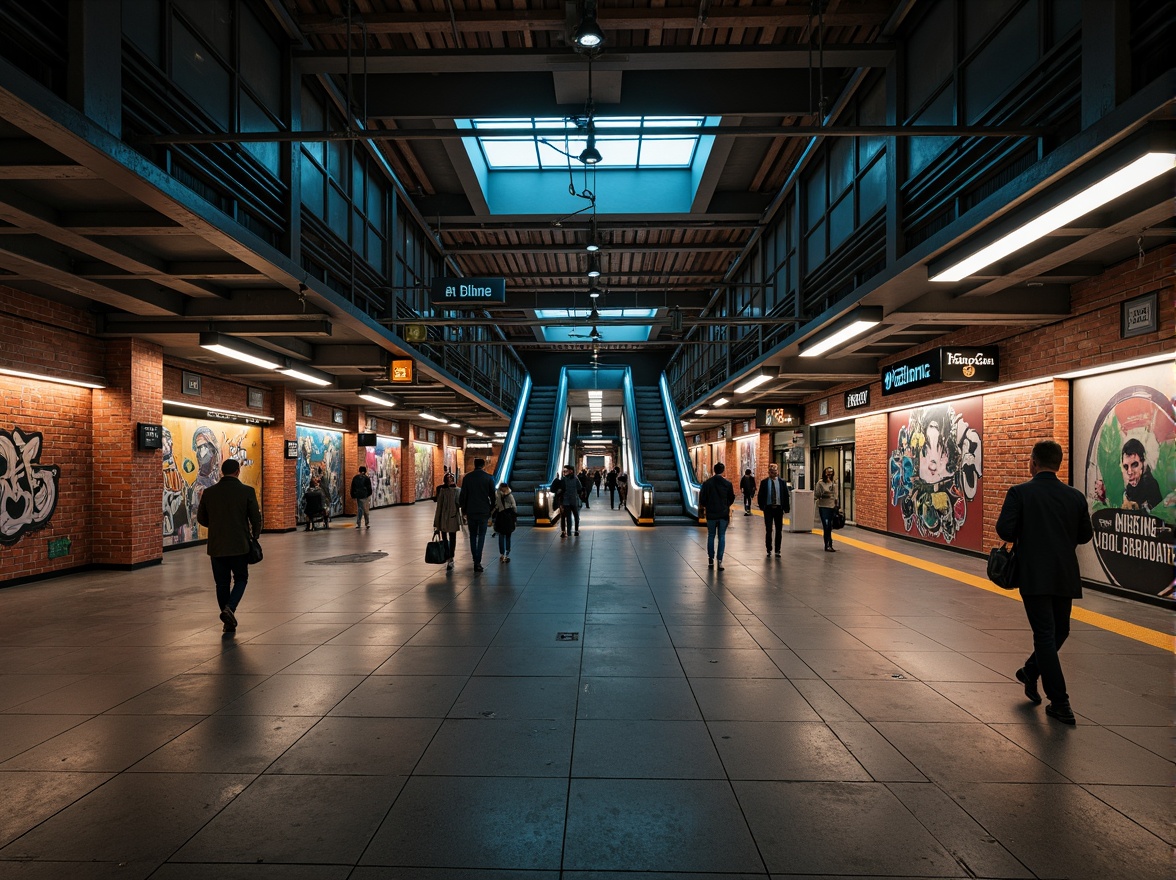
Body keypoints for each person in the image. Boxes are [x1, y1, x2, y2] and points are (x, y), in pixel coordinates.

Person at [996, 440, 1093, 725]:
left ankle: (1036, 676)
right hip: (1064, 574)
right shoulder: (1074, 497)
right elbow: (1084, 535)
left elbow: (1005, 530)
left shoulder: (1020, 493)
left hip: (1034, 576)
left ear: (1033, 462)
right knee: (1057, 631)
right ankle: (1057, 699)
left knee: (1049, 634)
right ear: (1059, 464)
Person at [195, 458, 261, 633]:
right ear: (238, 471)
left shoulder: (209, 492)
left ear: (222, 472)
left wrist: (217, 526)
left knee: (222, 584)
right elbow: (256, 518)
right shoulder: (247, 491)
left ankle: (227, 622)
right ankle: (229, 609)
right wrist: (255, 536)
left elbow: (201, 518)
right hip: (240, 545)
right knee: (241, 578)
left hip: (217, 546)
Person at [458, 458, 496, 572]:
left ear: (474, 465)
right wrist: (490, 509)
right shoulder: (488, 478)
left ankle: (475, 559)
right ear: (483, 465)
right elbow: (493, 496)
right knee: (482, 536)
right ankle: (478, 561)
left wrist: (463, 510)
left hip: (471, 511)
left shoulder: (467, 478)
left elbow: (463, 495)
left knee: (473, 536)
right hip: (484, 511)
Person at [699, 462, 735, 570]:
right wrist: (725, 505)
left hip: (711, 514)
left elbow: (702, 499)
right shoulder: (727, 484)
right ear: (723, 470)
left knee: (711, 536)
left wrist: (708, 506)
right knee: (721, 537)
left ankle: (710, 560)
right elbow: (731, 498)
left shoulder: (707, 483)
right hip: (723, 514)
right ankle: (720, 561)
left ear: (714, 470)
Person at [757, 463, 790, 556]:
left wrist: (786, 508)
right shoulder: (764, 482)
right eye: (772, 471)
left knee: (779, 529)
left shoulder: (782, 482)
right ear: (769, 472)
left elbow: (785, 495)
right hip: (768, 508)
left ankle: (777, 549)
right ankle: (769, 548)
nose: (774, 473)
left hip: (779, 508)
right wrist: (761, 506)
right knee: (768, 529)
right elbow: (760, 495)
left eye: (775, 471)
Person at [433, 472, 463, 571]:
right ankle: (447, 556)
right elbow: (439, 507)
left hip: (452, 517)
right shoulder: (442, 490)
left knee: (452, 537)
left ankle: (451, 557)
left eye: (451, 478)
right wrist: (436, 523)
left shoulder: (457, 490)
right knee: (444, 538)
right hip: (443, 518)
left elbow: (459, 503)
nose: (450, 480)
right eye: (448, 478)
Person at [814, 466, 839, 551]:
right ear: (824, 473)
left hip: (832, 506)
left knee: (830, 526)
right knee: (826, 525)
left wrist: (837, 505)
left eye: (831, 472)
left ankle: (830, 544)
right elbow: (816, 495)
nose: (829, 474)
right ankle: (827, 544)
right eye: (828, 472)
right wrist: (824, 493)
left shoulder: (834, 483)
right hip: (824, 507)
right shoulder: (820, 483)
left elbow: (836, 496)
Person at [553, 464, 582, 536]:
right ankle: (576, 530)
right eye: (563, 471)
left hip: (566, 501)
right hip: (573, 500)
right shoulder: (576, 479)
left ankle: (567, 532)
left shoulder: (563, 479)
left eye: (565, 471)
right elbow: (579, 488)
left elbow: (560, 490)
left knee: (567, 516)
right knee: (576, 516)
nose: (564, 472)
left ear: (570, 471)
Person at [492, 483, 518, 562]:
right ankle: (507, 552)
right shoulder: (510, 495)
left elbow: (496, 506)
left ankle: (502, 554)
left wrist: (492, 514)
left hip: (500, 517)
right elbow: (514, 506)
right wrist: (515, 517)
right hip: (508, 517)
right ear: (507, 487)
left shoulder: (497, 495)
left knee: (501, 535)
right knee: (508, 535)